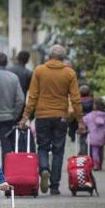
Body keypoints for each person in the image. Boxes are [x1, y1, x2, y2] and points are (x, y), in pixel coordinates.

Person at [19, 45, 85, 195]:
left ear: (49, 56)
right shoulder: (69, 73)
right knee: (58, 150)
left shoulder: (39, 70)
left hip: (42, 115)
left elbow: (33, 96)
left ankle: (43, 169)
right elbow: (75, 99)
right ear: (63, 58)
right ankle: (54, 186)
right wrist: (80, 120)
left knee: (43, 146)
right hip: (61, 116)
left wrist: (25, 116)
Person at [0, 52, 25, 167]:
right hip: (7, 119)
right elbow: (21, 99)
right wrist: (14, 115)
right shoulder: (13, 77)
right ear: (6, 63)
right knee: (7, 148)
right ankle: (5, 176)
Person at [83, 99, 105, 171]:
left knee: (94, 151)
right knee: (100, 151)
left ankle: (95, 164)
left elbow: (83, 121)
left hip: (92, 137)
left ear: (95, 106)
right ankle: (100, 165)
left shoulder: (89, 115)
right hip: (102, 138)